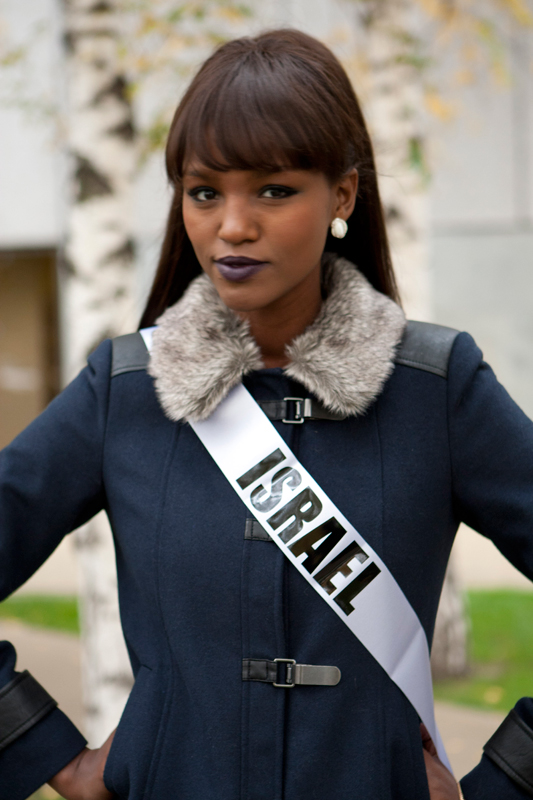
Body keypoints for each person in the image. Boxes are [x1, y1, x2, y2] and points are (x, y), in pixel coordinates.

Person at [0, 28, 532, 800]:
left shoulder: (436, 388)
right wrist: (48, 753)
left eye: (274, 190)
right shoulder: (123, 390)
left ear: (342, 194)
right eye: (204, 191)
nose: (232, 226)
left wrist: (502, 785)